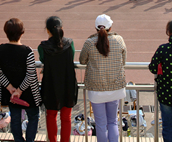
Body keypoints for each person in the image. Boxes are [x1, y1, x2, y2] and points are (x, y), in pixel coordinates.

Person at [79, 14, 126, 142]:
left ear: (95, 28)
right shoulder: (119, 40)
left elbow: (82, 60)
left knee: (101, 124)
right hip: (115, 87)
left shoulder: (89, 42)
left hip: (96, 89)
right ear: (111, 27)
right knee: (113, 122)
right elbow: (124, 61)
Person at [0, 18, 41, 142]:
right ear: (22, 32)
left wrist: (10, 88)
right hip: (28, 93)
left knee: (15, 118)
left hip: (10, 93)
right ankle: (29, 140)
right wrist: (19, 90)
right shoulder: (27, 51)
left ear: (6, 32)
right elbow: (31, 75)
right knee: (33, 116)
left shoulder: (0, 49)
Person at [38, 17, 77, 142]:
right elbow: (71, 56)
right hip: (67, 83)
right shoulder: (69, 43)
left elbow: (44, 60)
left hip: (51, 84)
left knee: (51, 116)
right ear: (62, 28)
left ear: (48, 31)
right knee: (66, 117)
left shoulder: (43, 47)